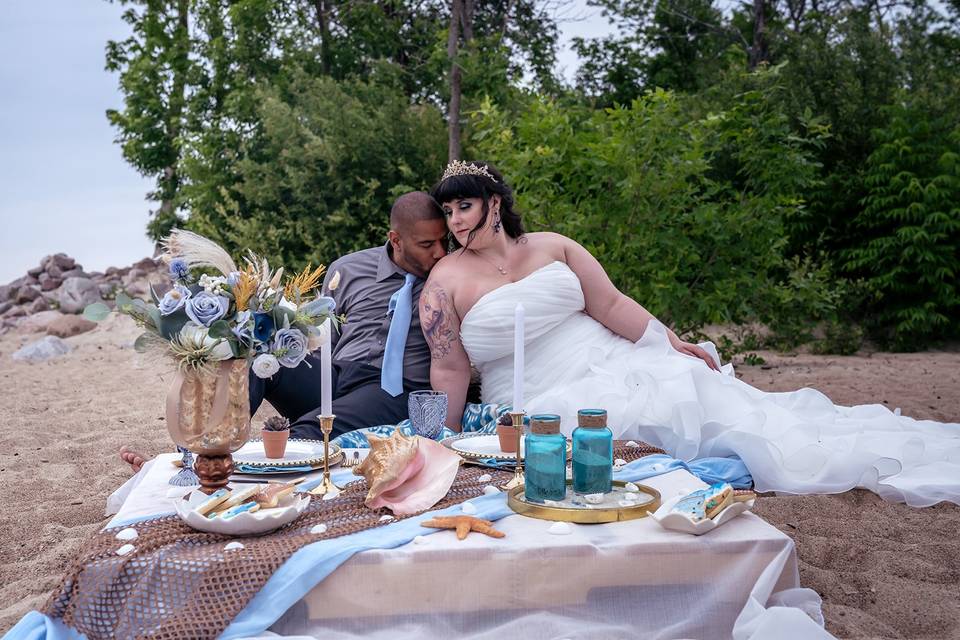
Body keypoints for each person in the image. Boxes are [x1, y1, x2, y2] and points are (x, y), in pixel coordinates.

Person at [420, 160, 960, 507]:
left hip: (606, 352)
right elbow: (449, 367)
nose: (456, 221)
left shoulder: (552, 245)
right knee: (608, 423)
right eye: (447, 212)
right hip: (531, 392)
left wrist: (666, 339)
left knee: (687, 384)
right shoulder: (444, 281)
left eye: (463, 206)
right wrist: (440, 440)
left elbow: (608, 303)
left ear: (494, 202)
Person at [121, 191, 447, 471]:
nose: (439, 252)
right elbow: (321, 334)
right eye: (427, 244)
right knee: (258, 362)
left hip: (392, 390)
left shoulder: (448, 275)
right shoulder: (347, 269)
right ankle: (200, 458)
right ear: (396, 239)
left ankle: (241, 472)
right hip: (336, 373)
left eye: (442, 242)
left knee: (308, 429)